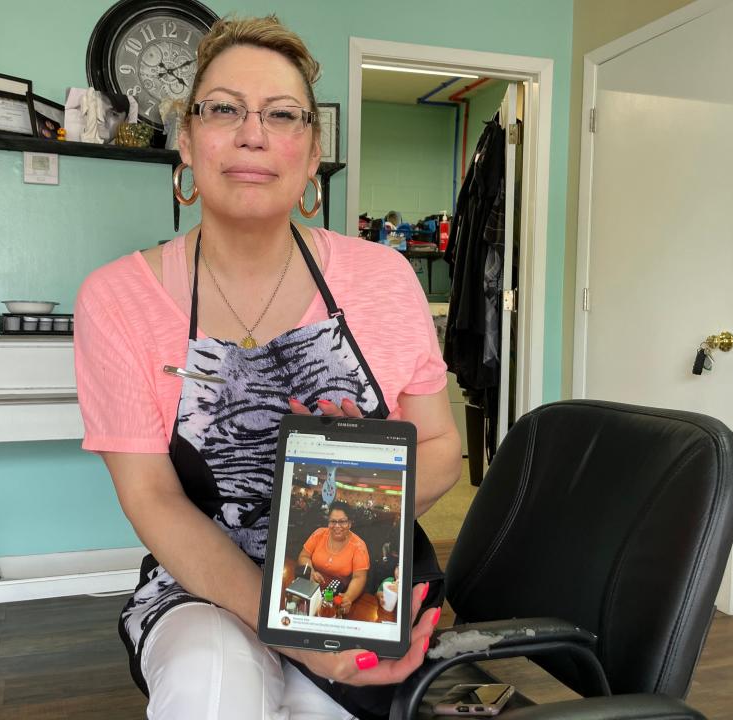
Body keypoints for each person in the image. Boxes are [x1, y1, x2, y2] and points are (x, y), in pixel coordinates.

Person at [74, 14, 463, 720]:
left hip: (358, 582)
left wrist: (353, 525)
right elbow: (154, 499)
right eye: (223, 109)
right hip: (203, 589)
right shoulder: (116, 299)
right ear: (186, 143)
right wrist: (291, 625)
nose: (252, 132)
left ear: (313, 153)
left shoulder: (386, 279)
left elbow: (441, 447)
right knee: (209, 680)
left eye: (282, 115)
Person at [298, 501, 369, 614]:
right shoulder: (319, 534)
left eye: (342, 522)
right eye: (333, 521)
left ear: (350, 523)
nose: (337, 526)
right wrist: (311, 572)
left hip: (336, 596)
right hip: (312, 588)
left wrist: (348, 597)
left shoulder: (359, 546)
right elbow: (304, 556)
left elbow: (359, 578)